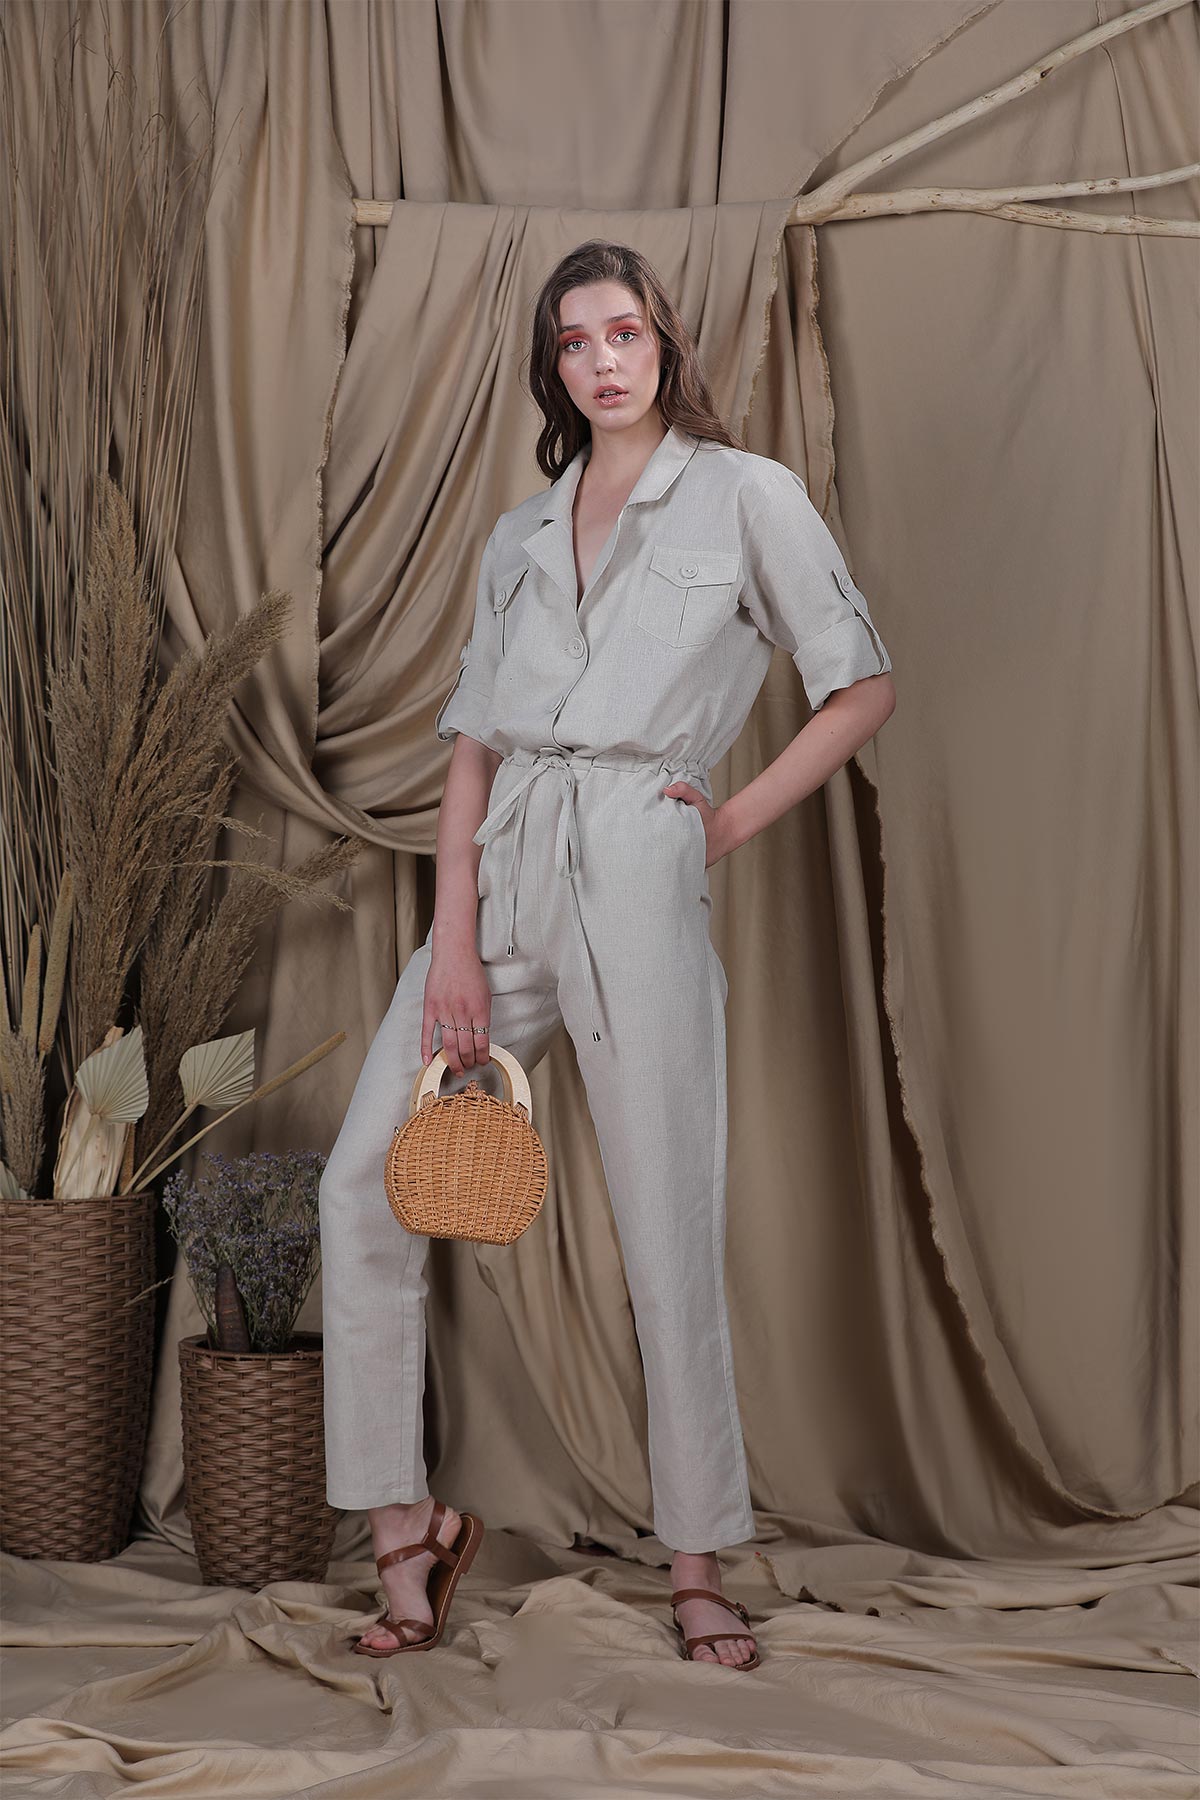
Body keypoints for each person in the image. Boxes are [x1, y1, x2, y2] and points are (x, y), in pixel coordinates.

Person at [319, 238, 896, 1669]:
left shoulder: (748, 494)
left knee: (664, 1220)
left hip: (641, 861)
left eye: (624, 331)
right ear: (554, 369)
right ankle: (407, 1531)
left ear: (664, 341)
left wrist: (725, 822)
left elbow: (860, 683)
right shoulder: (520, 532)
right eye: (575, 342)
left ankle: (698, 1566)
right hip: (506, 856)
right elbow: (471, 751)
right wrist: (454, 944)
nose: (603, 360)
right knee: (362, 1185)